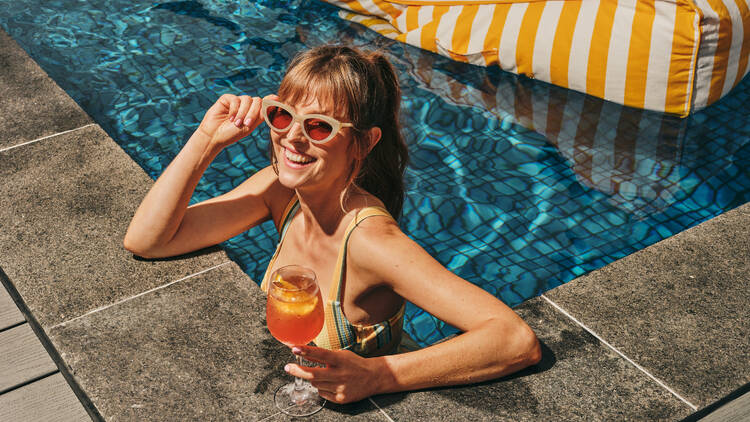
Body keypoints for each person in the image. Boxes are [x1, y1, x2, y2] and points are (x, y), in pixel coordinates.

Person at [124, 45, 541, 404]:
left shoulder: (369, 241)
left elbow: (513, 339)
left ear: (364, 142)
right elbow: (148, 240)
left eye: (320, 126)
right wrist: (206, 139)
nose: (293, 137)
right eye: (282, 115)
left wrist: (377, 376)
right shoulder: (281, 190)